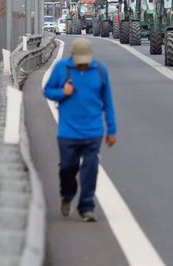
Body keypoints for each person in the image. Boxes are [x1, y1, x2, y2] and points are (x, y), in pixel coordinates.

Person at [43, 38, 117, 222]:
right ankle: (67, 196)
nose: (83, 63)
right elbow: (47, 90)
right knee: (68, 168)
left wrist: (112, 130)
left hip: (93, 131)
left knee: (90, 169)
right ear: (72, 57)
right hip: (68, 132)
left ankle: (86, 207)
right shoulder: (62, 68)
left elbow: (108, 102)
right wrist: (62, 93)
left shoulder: (100, 70)